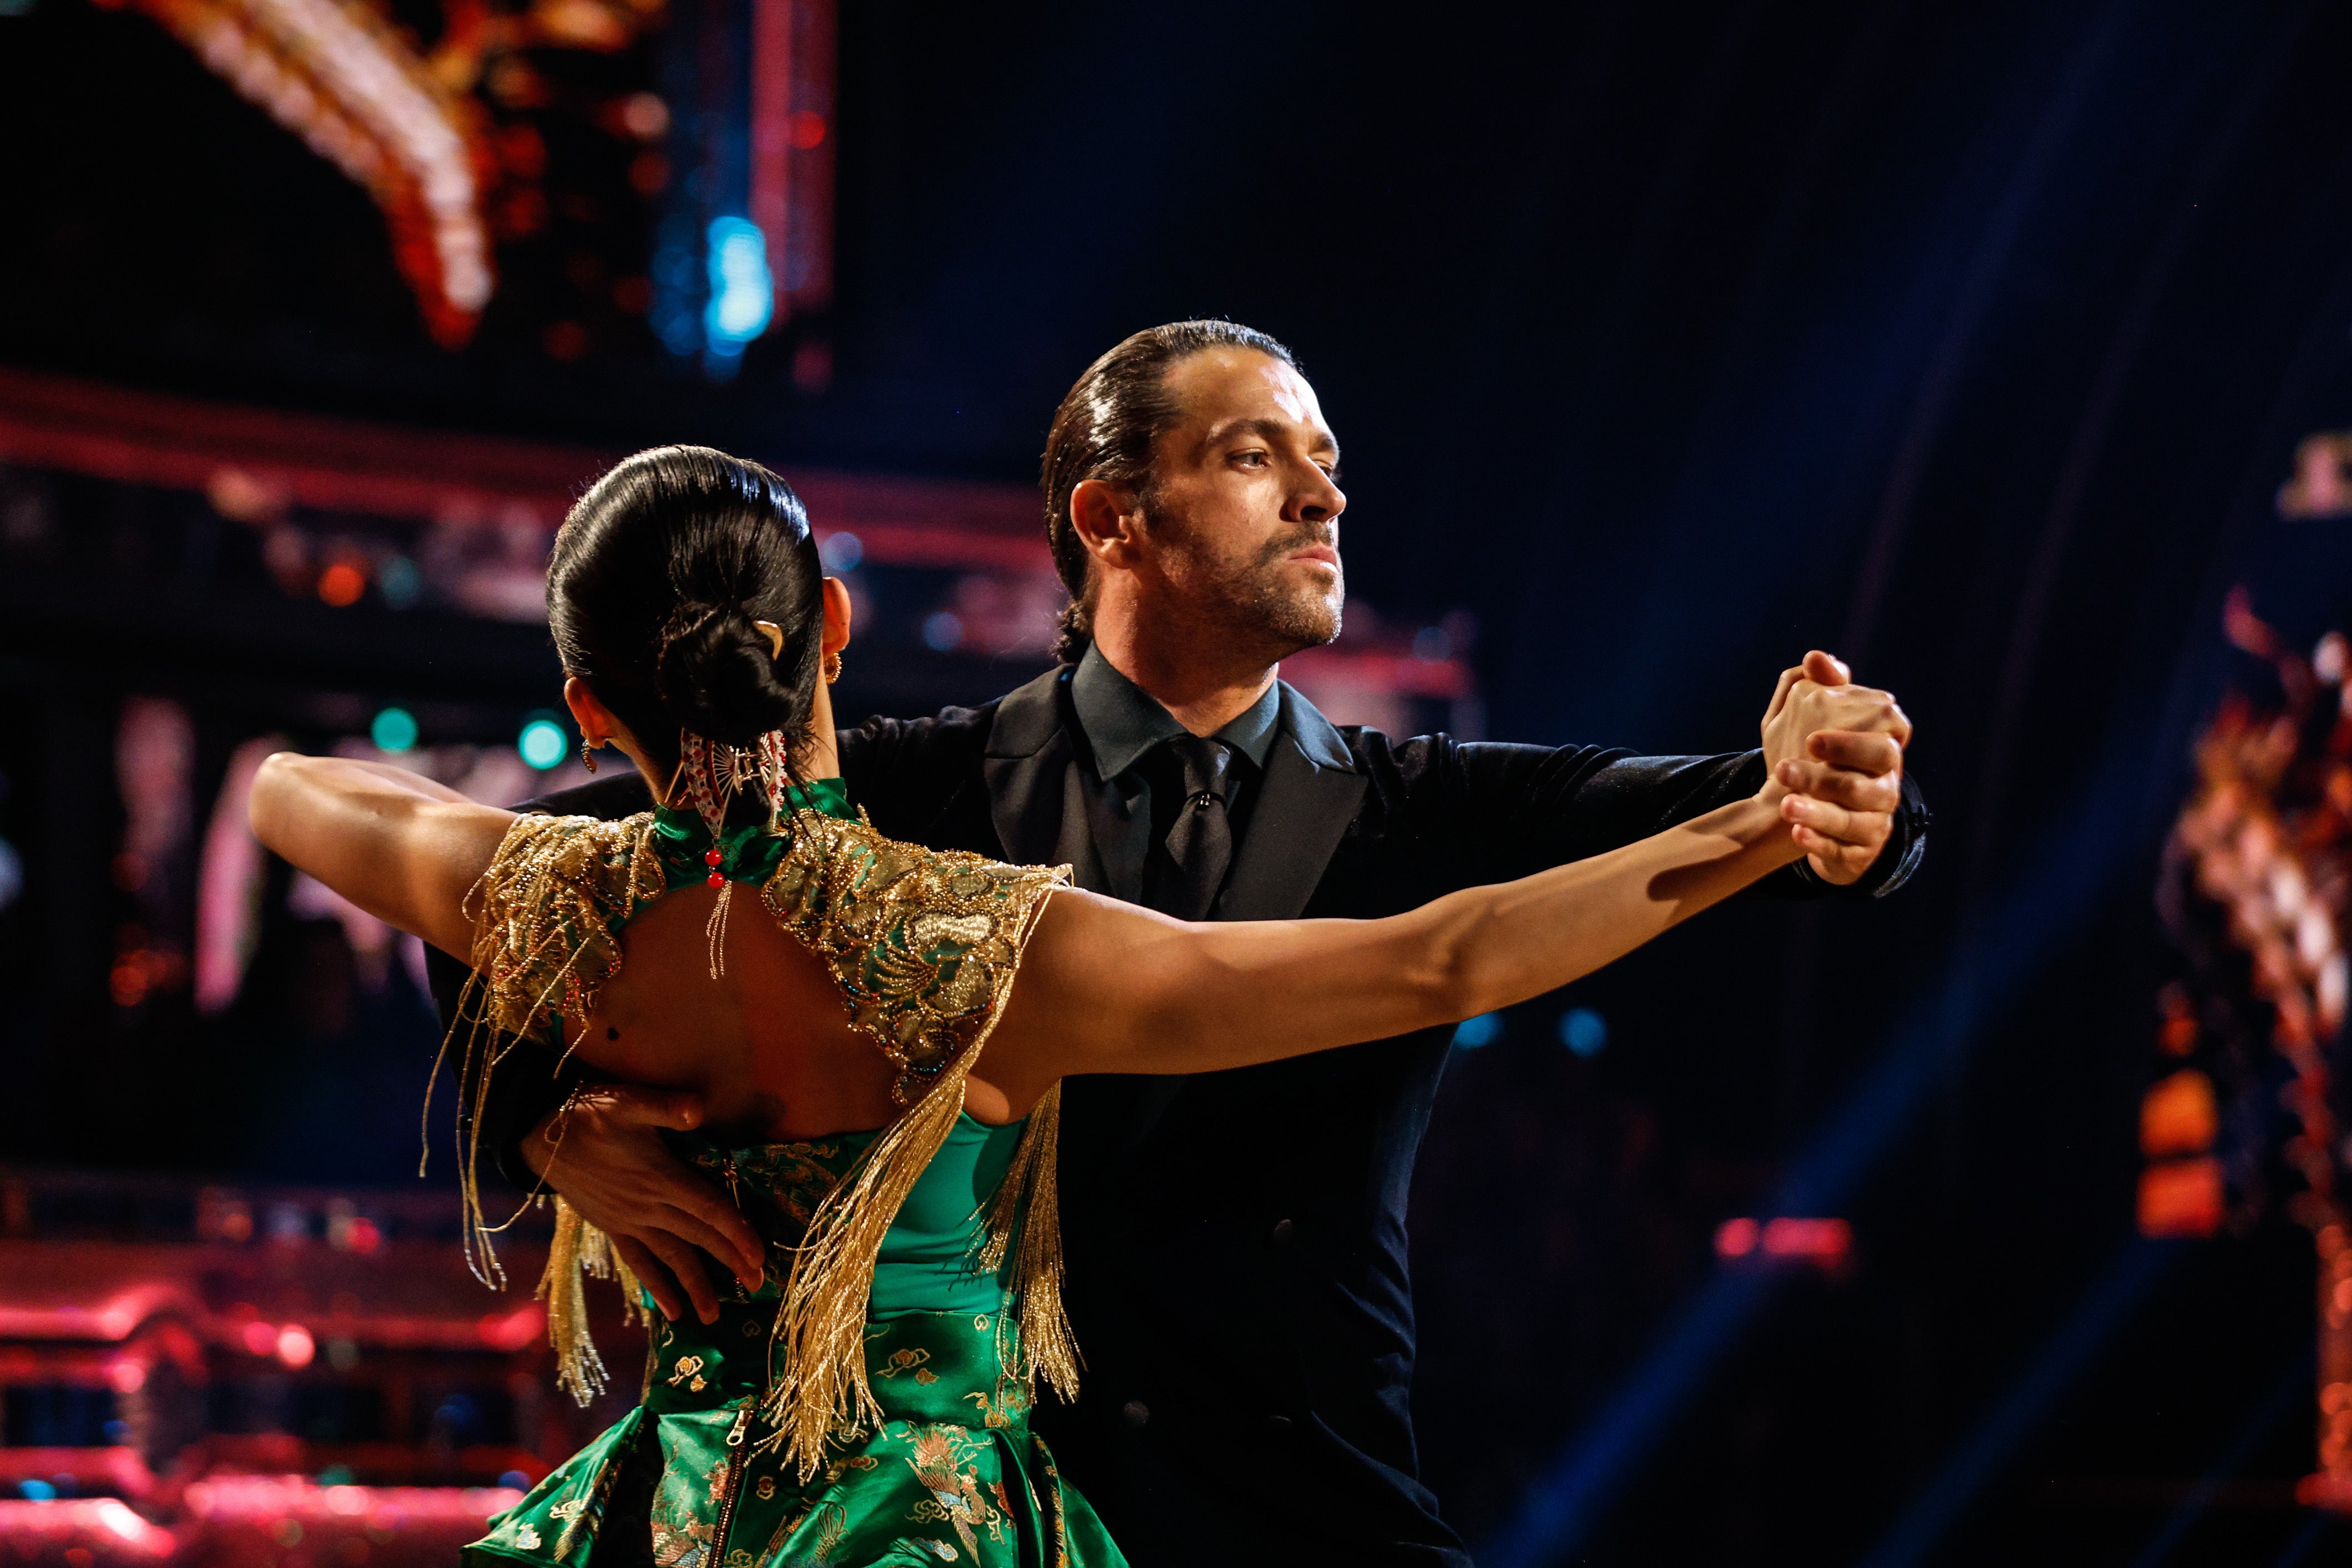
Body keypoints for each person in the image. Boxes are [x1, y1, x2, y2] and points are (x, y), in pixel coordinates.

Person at [457, 322, 1928, 1567]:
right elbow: (505, 899)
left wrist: (1844, 787)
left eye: (1326, 463)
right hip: (992, 1523)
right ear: (1112, 517)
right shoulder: (912, 790)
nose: (1321, 496)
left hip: (1318, 1514)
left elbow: (1748, 810)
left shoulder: (1416, 803)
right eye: (1254, 456)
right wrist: (542, 1121)